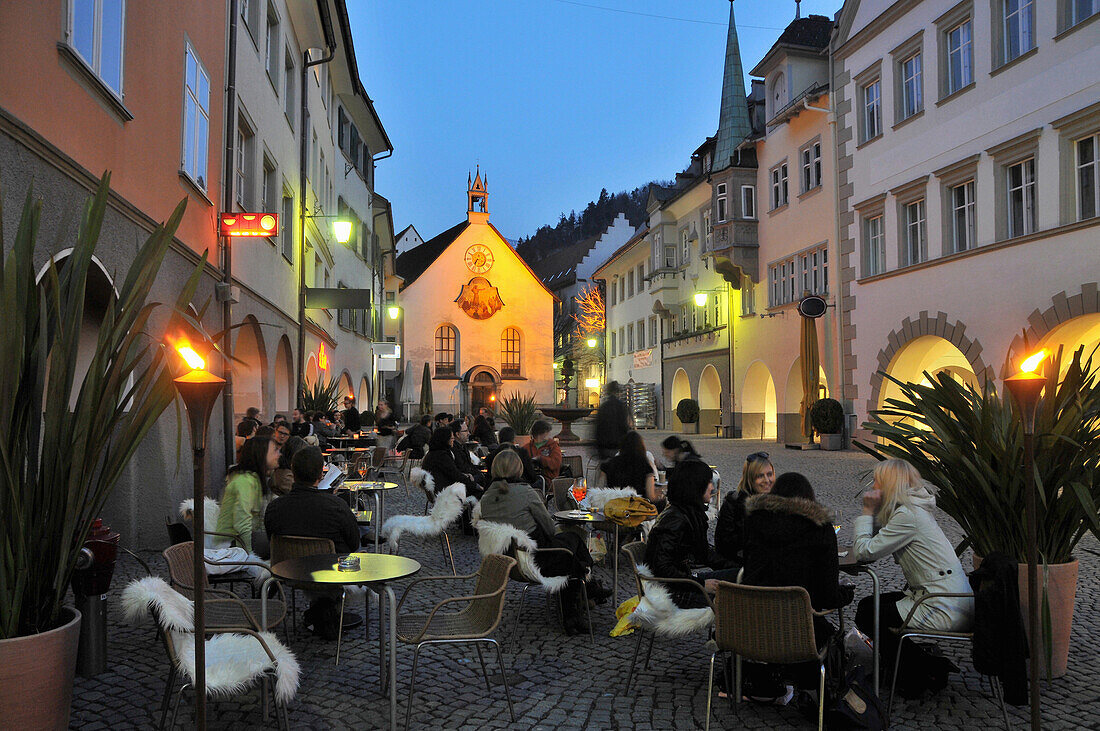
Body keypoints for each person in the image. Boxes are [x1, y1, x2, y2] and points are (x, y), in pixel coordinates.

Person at [854, 459, 973, 696]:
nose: (873, 485)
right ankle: (917, 667)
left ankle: (918, 670)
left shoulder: (908, 515)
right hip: (944, 596)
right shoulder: (913, 509)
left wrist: (867, 512)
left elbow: (864, 551)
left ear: (890, 484)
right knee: (869, 606)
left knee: (869, 613)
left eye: (878, 480)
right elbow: (876, 544)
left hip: (941, 604)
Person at [478, 450, 608, 634]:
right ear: (519, 468)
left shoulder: (486, 497)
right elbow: (548, 527)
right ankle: (582, 600)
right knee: (571, 550)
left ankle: (589, 588)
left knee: (571, 542)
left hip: (511, 559)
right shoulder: (524, 491)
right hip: (538, 558)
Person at [264, 446, 361, 639]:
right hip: (332, 572)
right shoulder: (336, 506)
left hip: (289, 571)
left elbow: (271, 540)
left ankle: (320, 610)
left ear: (293, 472)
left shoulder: (275, 508)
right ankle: (325, 609)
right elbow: (354, 543)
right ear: (320, 474)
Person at [643, 460, 737, 608]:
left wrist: (739, 567)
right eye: (708, 483)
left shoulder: (689, 512)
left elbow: (704, 553)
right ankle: (723, 630)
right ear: (696, 486)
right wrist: (700, 584)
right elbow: (661, 568)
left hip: (684, 582)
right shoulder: (676, 519)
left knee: (740, 576)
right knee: (736, 600)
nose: (712, 487)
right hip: (672, 593)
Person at [215, 435, 279, 557]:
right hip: (232, 545)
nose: (279, 454)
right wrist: (248, 558)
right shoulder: (245, 481)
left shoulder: (256, 479)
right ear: (261, 454)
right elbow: (241, 523)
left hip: (244, 540)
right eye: (275, 450)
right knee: (282, 545)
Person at [714, 452, 774, 565]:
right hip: (741, 565)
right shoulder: (734, 503)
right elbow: (723, 545)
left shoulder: (779, 502)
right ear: (749, 478)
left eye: (770, 474)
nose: (767, 480)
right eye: (760, 476)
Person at [599, 430, 661, 507]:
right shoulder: (646, 467)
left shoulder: (608, 465)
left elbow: (599, 490)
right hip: (637, 509)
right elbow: (651, 497)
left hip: (614, 507)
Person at [421, 426, 480, 498]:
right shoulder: (441, 456)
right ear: (445, 440)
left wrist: (465, 475)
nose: (453, 440)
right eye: (452, 438)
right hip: (445, 492)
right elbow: (455, 474)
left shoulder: (435, 453)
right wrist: (475, 486)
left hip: (442, 487)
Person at [593, 381, 630, 459]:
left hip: (605, 445)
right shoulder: (621, 406)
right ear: (617, 392)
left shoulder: (604, 406)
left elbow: (598, 427)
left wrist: (597, 446)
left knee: (606, 468)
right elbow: (624, 426)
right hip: (618, 445)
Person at [450, 420, 487, 487]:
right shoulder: (453, 449)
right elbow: (462, 468)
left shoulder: (463, 446)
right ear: (457, 434)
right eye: (465, 431)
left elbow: (469, 465)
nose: (469, 433)